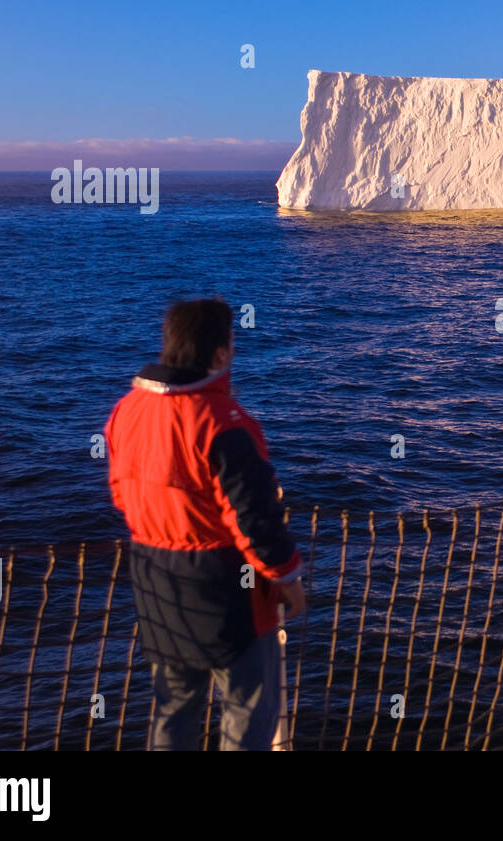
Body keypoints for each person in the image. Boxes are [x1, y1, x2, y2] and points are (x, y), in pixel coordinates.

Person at [105, 297, 305, 750]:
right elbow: (254, 522)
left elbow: (121, 494)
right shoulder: (224, 424)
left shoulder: (125, 412)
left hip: (156, 584)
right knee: (248, 714)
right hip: (227, 594)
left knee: (172, 712)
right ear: (219, 353)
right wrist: (288, 577)